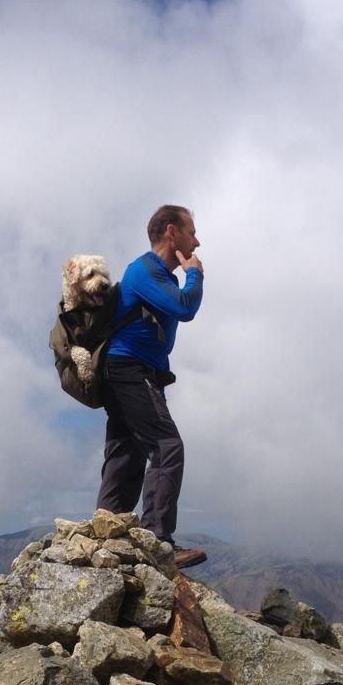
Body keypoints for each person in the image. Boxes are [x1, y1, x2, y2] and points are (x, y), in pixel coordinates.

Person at [96, 205, 206, 569]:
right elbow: (185, 308)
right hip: (129, 368)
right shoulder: (143, 271)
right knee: (166, 445)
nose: (198, 241)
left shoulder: (155, 275)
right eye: (192, 232)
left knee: (127, 453)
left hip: (130, 370)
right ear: (172, 232)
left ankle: (106, 535)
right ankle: (157, 540)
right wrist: (195, 275)